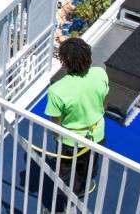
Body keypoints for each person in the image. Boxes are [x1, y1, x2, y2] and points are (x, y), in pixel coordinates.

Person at [45, 38, 109, 201]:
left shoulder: (56, 90)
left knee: (66, 175)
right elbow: (104, 105)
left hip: (71, 142)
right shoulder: (100, 73)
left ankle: (59, 207)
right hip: (97, 134)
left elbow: (56, 125)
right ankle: (83, 188)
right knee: (90, 163)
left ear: (65, 62)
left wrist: (57, 136)